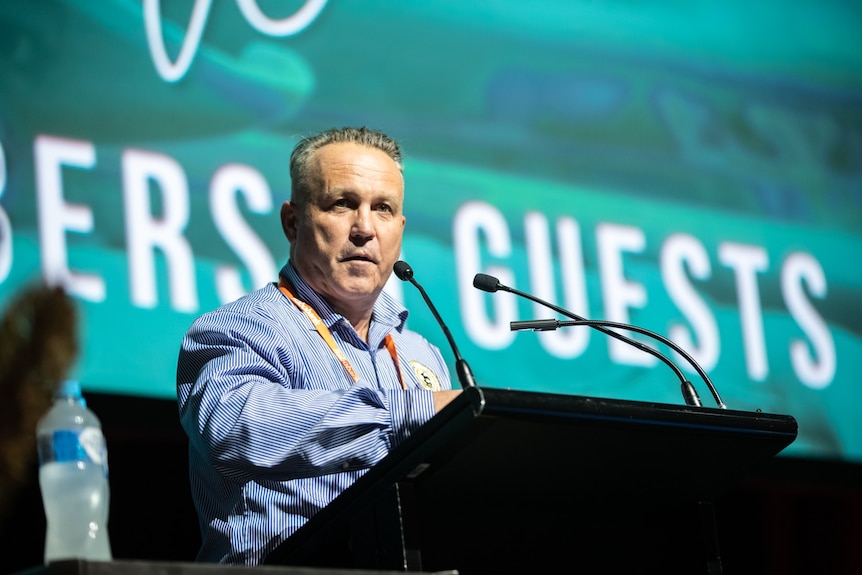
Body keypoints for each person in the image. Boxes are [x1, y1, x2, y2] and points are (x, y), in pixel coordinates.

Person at [177, 126, 462, 565]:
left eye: (383, 209)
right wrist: (416, 415)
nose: (365, 228)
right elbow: (242, 431)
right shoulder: (235, 330)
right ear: (293, 221)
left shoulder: (421, 354)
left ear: (400, 229)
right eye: (343, 204)